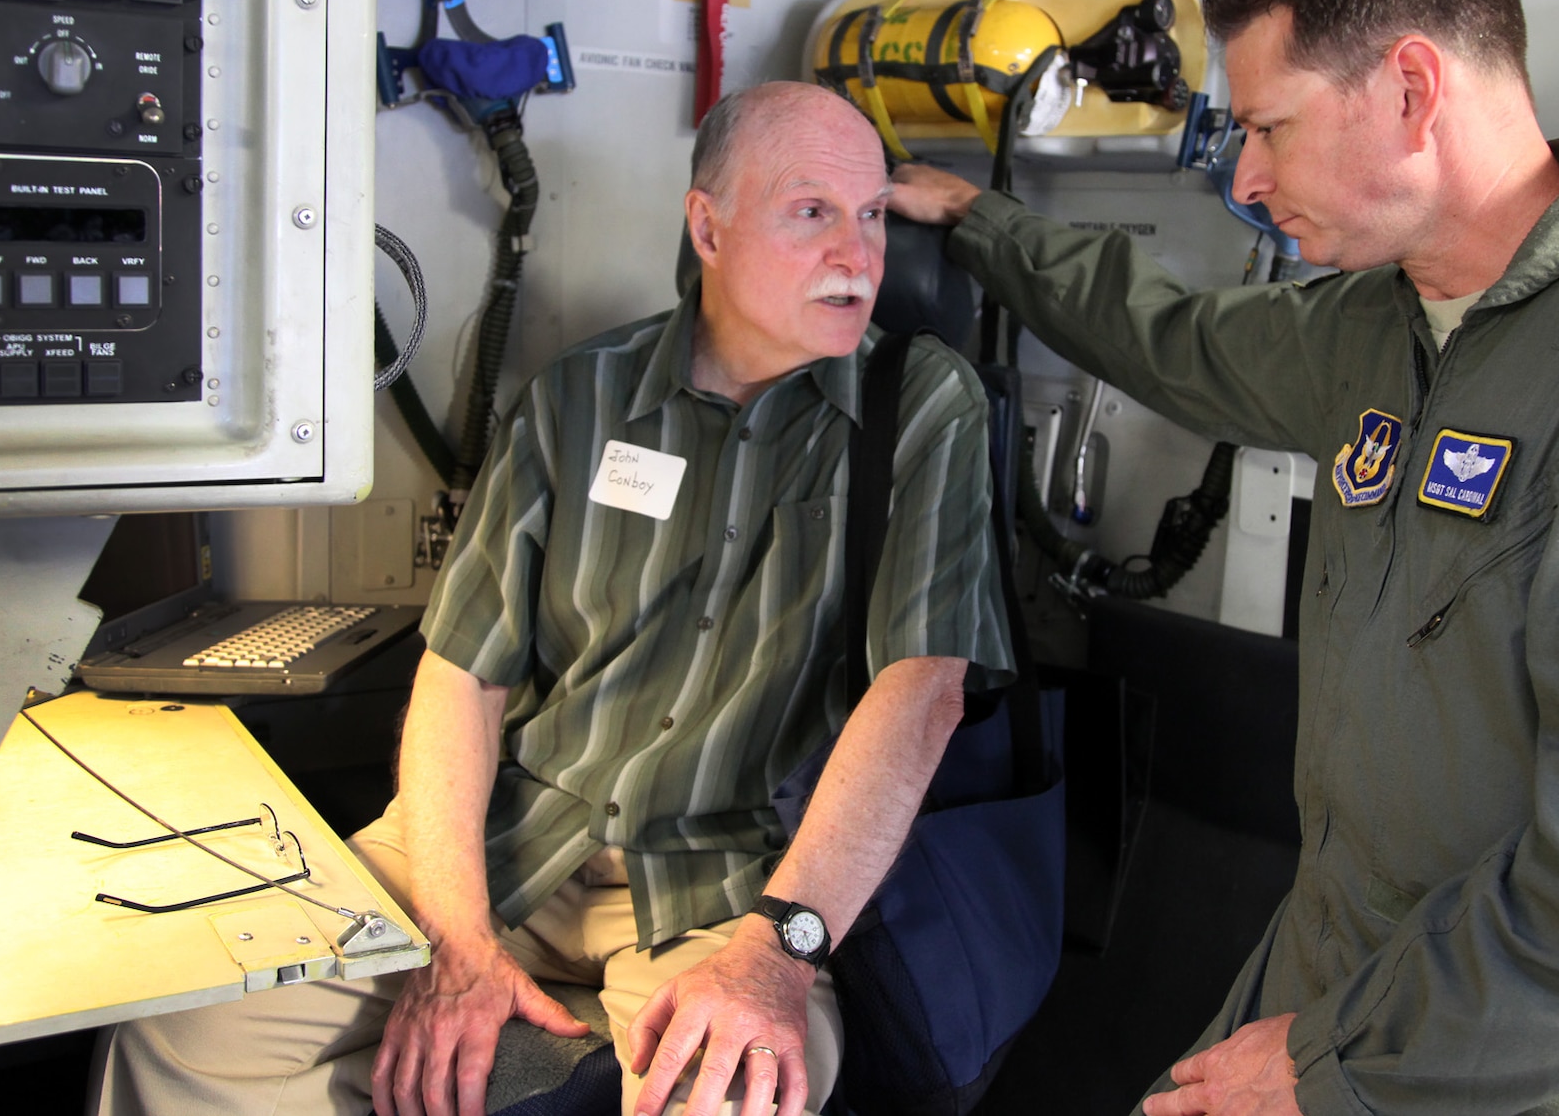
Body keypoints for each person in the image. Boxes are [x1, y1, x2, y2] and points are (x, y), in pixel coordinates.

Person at [890, 0, 1559, 1115]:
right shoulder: (1375, 325)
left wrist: (1327, 1065)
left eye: (1268, 127)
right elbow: (1169, 337)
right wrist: (979, 223)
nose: (1246, 178)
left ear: (1410, 89)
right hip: (1355, 980)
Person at [90, 80, 1014, 1116]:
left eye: (873, 214)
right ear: (708, 228)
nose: (858, 254)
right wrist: (456, 939)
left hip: (730, 887)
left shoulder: (922, 404)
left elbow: (920, 692)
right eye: (812, 211)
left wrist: (779, 947)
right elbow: (461, 672)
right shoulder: (578, 396)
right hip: (507, 838)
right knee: (186, 1022)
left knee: (729, 1095)